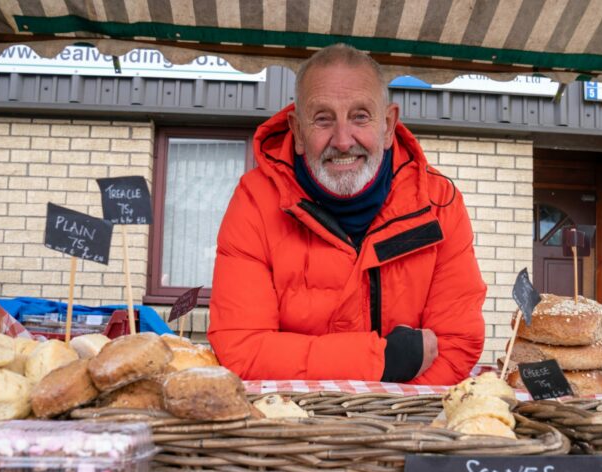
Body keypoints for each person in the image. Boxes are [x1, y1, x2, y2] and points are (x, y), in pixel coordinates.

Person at [208, 43, 486, 385]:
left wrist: (385, 420)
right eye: (323, 118)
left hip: (406, 430)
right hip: (291, 425)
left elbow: (457, 345)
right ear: (296, 131)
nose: (342, 140)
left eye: (360, 117)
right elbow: (241, 348)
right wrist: (381, 362)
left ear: (387, 125)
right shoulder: (254, 201)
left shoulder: (439, 203)